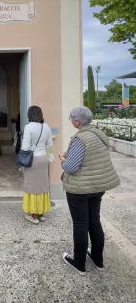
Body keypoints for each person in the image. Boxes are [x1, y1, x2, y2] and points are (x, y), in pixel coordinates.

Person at [60, 106, 120, 276]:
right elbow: (90, 157)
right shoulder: (98, 134)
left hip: (80, 189)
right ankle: (97, 259)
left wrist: (63, 161)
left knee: (80, 224)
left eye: (71, 118)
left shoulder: (81, 138)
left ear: (77, 121)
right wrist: (69, 154)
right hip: (98, 186)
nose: (71, 121)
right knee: (94, 221)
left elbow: (71, 167)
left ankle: (79, 263)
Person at [21, 106, 53, 224]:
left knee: (31, 186)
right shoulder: (46, 126)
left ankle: (33, 216)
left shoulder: (28, 127)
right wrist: (41, 149)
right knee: (42, 185)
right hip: (43, 159)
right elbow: (49, 144)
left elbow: (25, 147)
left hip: (32, 160)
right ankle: (41, 214)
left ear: (29, 115)